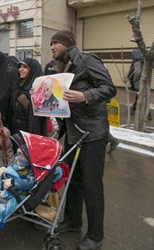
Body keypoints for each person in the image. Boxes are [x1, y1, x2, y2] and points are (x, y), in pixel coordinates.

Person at [49, 30, 116, 250]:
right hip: (74, 132)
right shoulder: (62, 68)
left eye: (55, 43)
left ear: (67, 44)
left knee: (91, 185)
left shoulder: (86, 60)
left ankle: (95, 236)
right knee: (73, 181)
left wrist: (85, 96)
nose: (52, 47)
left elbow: (109, 88)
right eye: (51, 45)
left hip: (93, 134)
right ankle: (73, 221)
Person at [10, 58, 48, 137]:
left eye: (25, 67)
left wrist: (31, 98)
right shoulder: (17, 85)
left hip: (30, 133)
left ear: (32, 70)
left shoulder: (38, 89)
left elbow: (37, 119)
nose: (20, 69)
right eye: (20, 66)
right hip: (16, 132)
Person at [127, 49, 143, 115]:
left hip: (138, 82)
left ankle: (134, 109)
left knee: (139, 96)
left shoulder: (138, 62)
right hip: (140, 82)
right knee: (139, 96)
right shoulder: (141, 61)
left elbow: (137, 73)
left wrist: (134, 81)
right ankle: (134, 108)